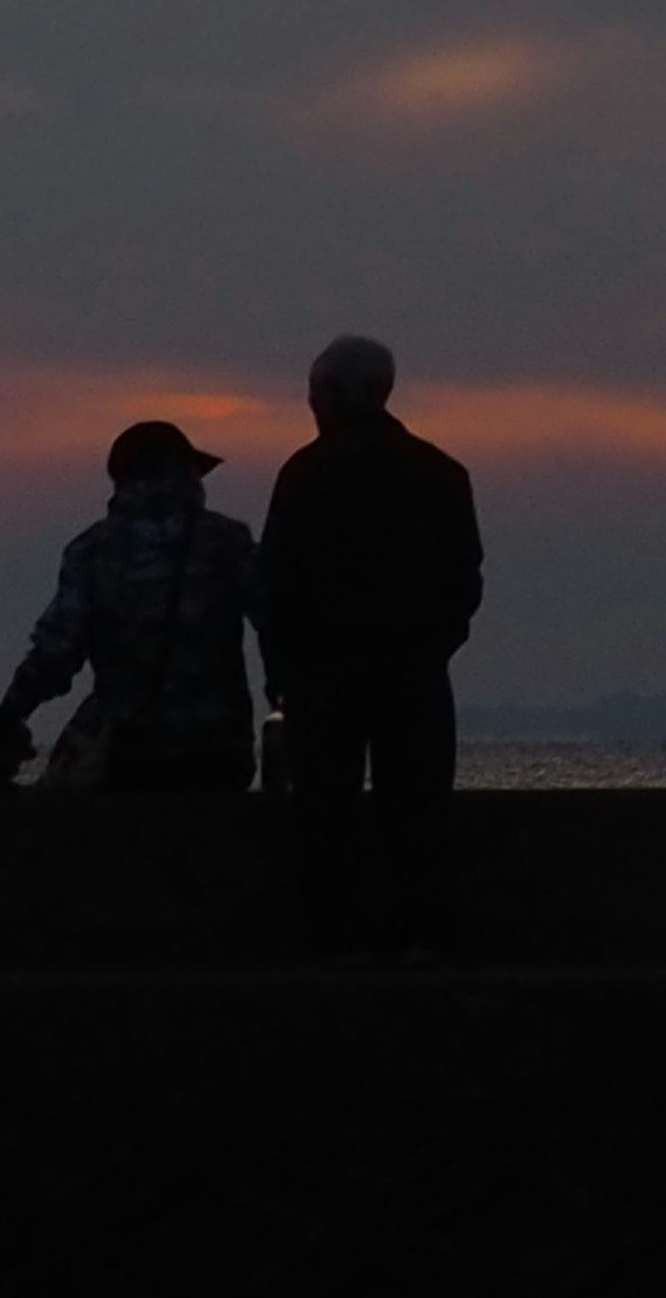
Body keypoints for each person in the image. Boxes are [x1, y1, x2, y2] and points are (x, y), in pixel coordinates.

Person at [260, 336, 481, 960]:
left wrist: (283, 666)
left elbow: (275, 579)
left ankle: (332, 938)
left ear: (328, 396)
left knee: (325, 813)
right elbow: (465, 577)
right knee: (418, 812)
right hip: (413, 670)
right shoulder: (440, 473)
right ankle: (422, 934)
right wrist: (435, 644)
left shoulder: (305, 474)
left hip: (324, 673)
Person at [0, 420, 261, 793]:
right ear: (187, 474)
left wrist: (9, 713)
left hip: (131, 752)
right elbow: (279, 623)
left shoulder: (91, 551)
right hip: (219, 748)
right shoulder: (227, 541)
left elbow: (57, 653)